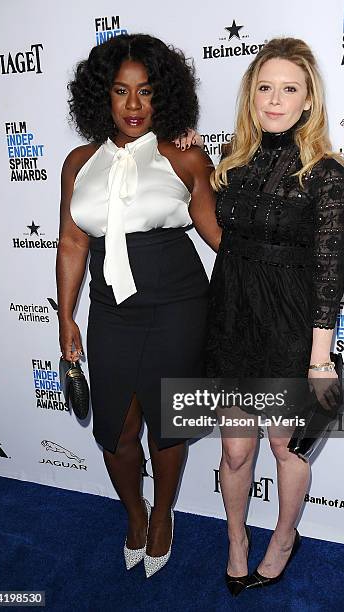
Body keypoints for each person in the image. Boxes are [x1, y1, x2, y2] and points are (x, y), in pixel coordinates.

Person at [56, 33, 220, 578]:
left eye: (146, 92)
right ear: (101, 97)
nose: (132, 105)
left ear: (162, 96)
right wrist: (66, 320)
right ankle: (135, 513)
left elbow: (220, 236)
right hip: (111, 309)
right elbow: (73, 242)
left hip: (178, 303)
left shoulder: (186, 156)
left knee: (168, 424)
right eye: (121, 92)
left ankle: (163, 516)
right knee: (117, 430)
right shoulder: (78, 162)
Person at [205, 37, 344, 595]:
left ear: (309, 98)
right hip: (233, 316)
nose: (274, 99)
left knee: (284, 446)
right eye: (264, 87)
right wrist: (186, 143)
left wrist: (319, 360)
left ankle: (285, 537)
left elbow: (328, 273)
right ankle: (236, 537)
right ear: (250, 95)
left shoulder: (326, 173)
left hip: (290, 325)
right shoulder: (232, 163)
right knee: (234, 448)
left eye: (289, 88)